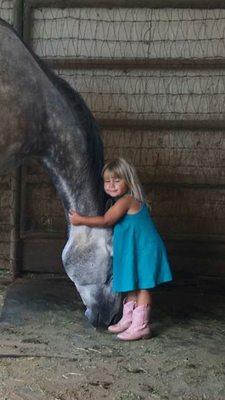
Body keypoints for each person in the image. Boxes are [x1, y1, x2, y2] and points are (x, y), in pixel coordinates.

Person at [69, 158, 172, 341]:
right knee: (132, 286)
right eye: (107, 181)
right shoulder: (119, 202)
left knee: (143, 288)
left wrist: (80, 219)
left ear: (128, 181)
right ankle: (129, 320)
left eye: (117, 180)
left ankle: (141, 326)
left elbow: (107, 221)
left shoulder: (127, 201)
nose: (111, 185)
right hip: (136, 251)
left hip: (145, 251)